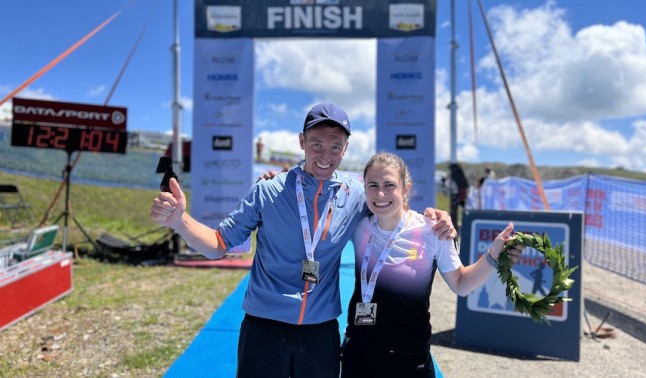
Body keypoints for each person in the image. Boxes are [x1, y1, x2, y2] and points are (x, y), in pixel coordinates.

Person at [149, 103, 456, 378]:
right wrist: (180, 221)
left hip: (319, 334)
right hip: (263, 328)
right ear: (302, 142)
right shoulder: (268, 191)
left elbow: (391, 205)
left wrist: (436, 219)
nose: (326, 155)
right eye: (317, 144)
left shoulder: (357, 194)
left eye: (335, 147)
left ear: (345, 149)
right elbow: (217, 244)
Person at [340, 152, 524, 378]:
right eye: (373, 185)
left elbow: (461, 284)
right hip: (360, 357)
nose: (380, 193)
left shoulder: (433, 231)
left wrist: (493, 255)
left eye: (390, 185)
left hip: (409, 361)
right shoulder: (358, 224)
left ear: (406, 188)